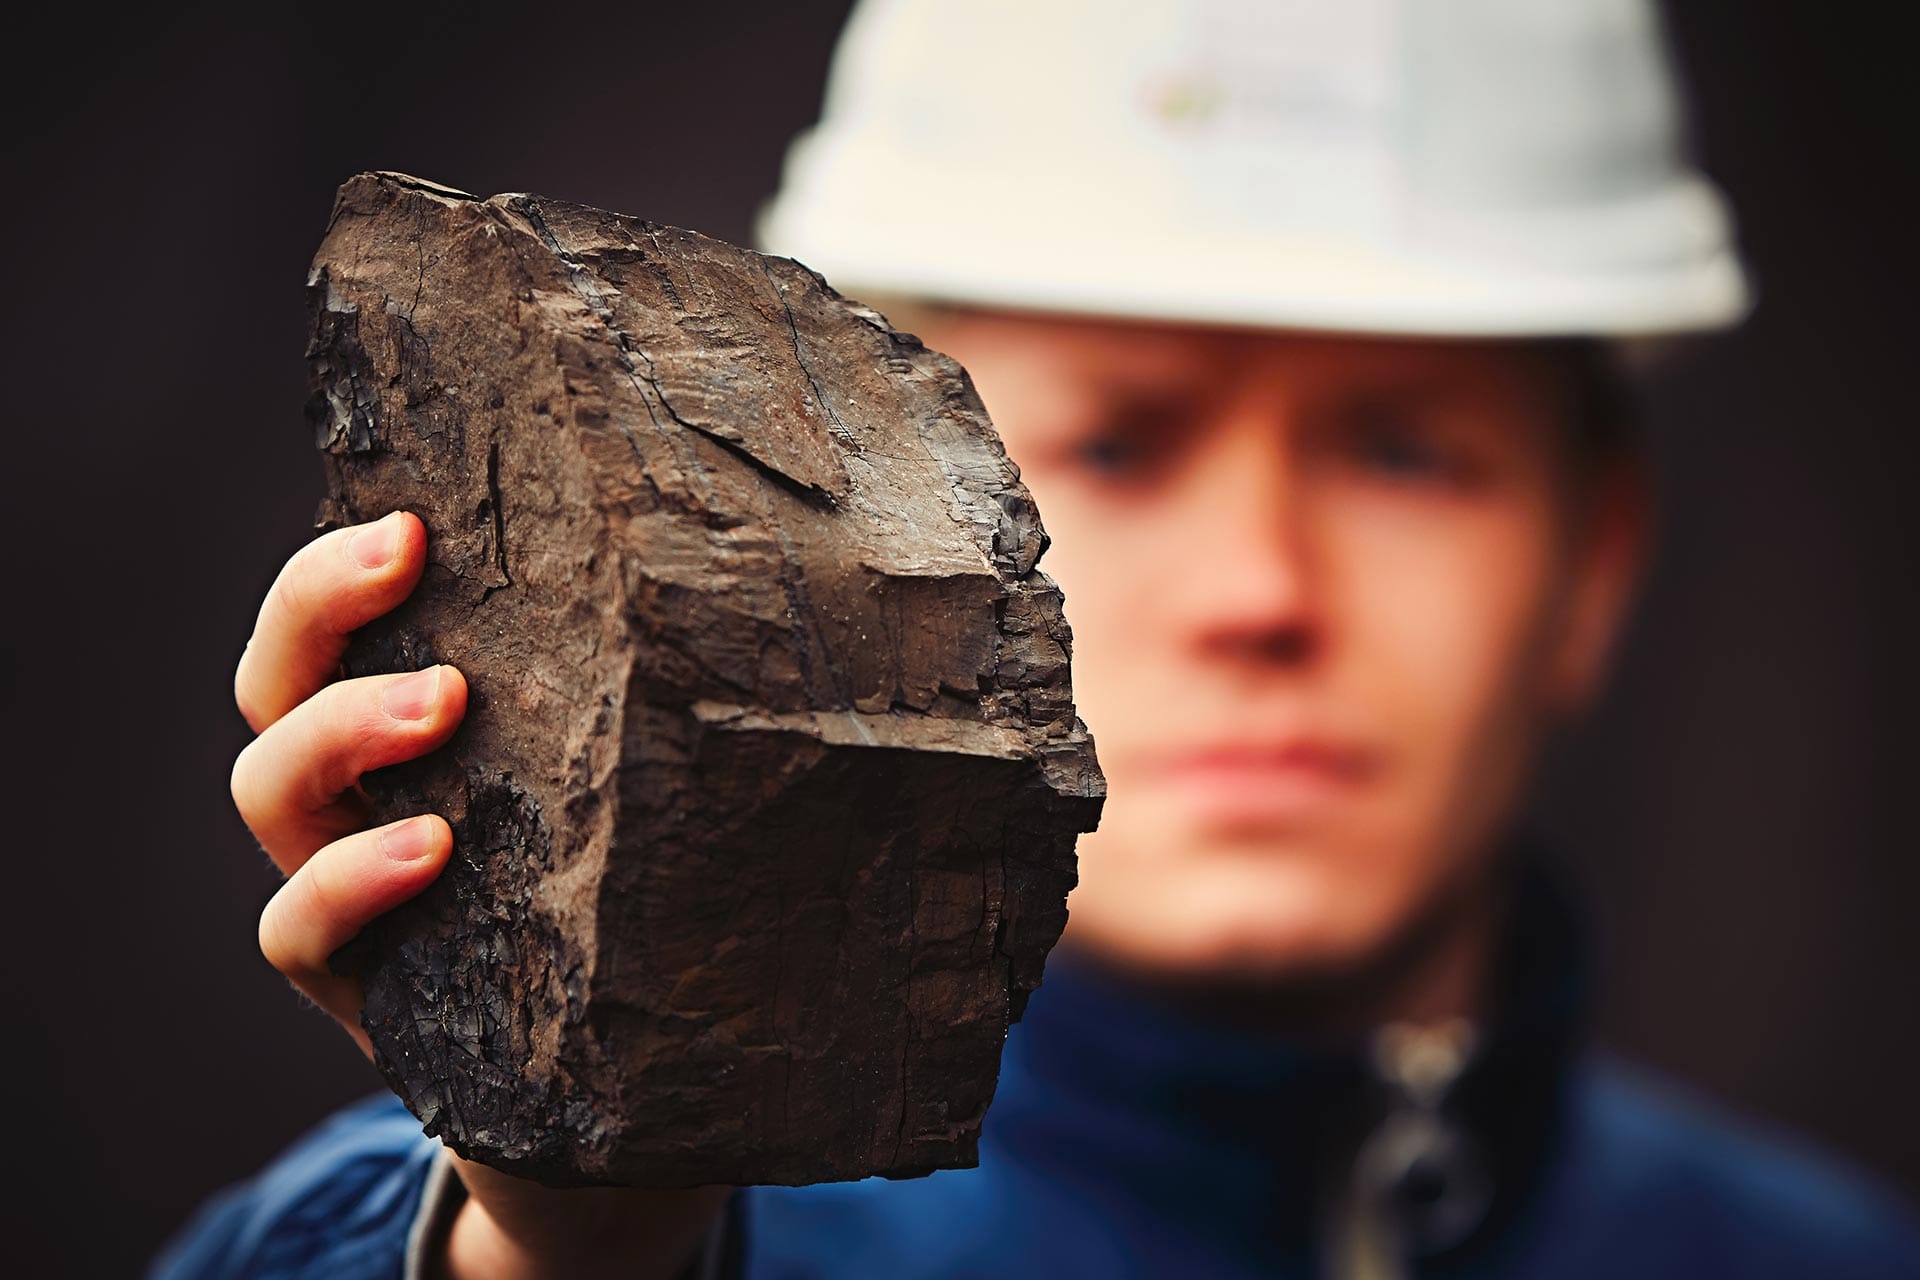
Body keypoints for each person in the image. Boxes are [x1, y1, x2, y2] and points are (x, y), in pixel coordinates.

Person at [157, 2, 1918, 1277]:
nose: (1261, 591)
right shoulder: (591, 1239)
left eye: (1406, 454)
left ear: (1592, 565)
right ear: (845, 522)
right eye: (1119, 446)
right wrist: (567, 1245)